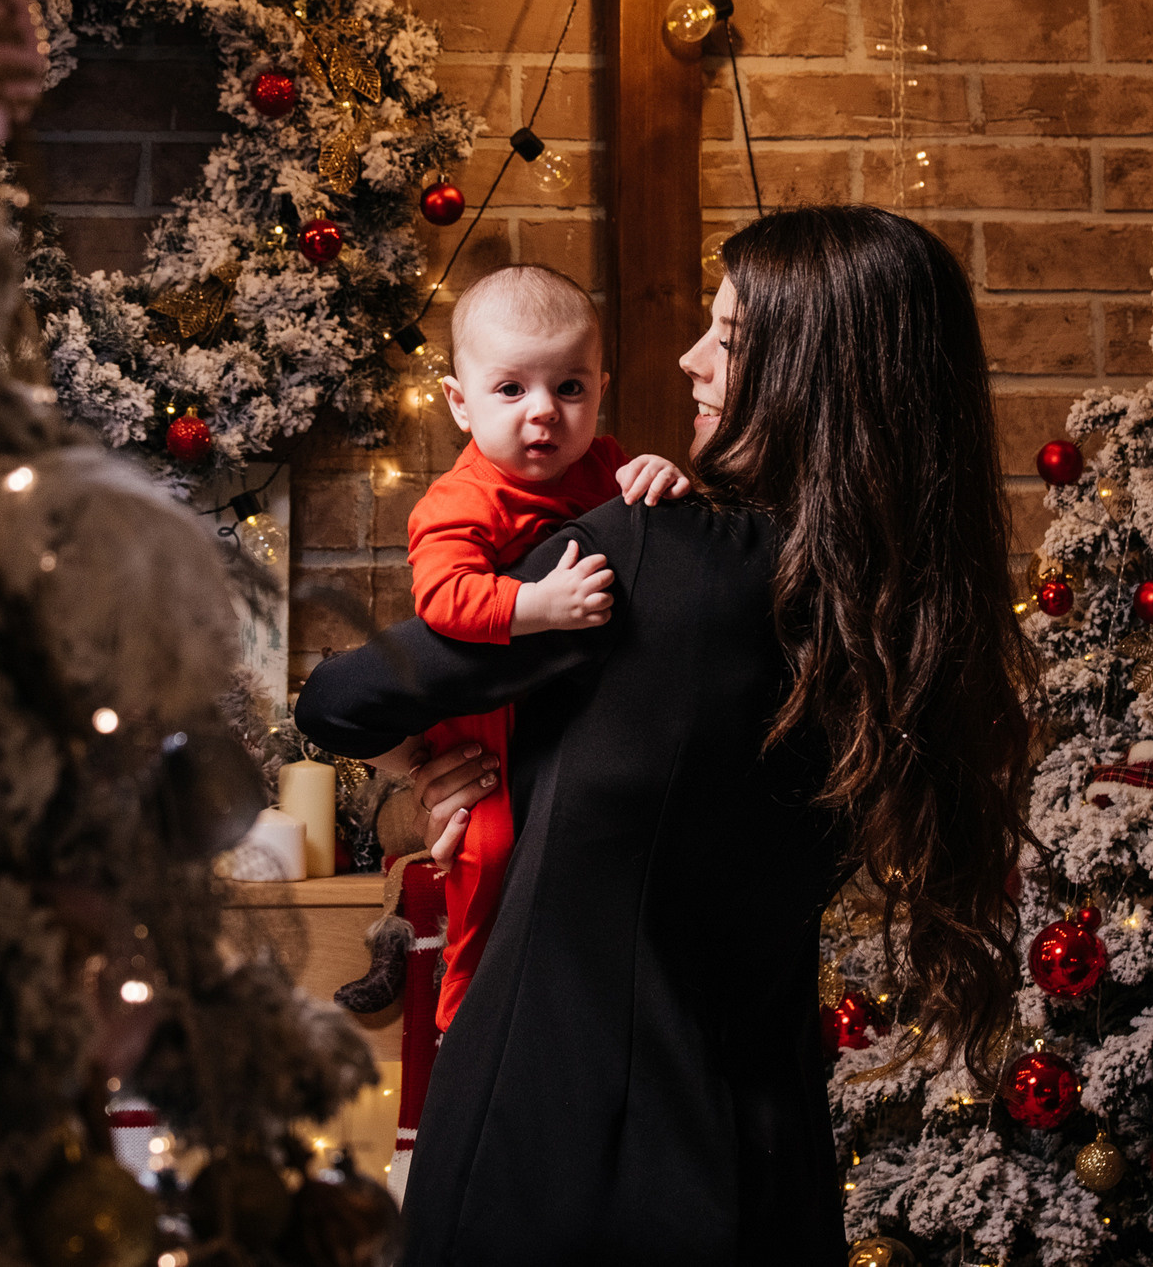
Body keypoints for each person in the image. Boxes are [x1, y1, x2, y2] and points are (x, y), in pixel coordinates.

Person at [297, 207, 1035, 1266]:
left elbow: (337, 699)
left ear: (806, 370)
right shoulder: (903, 616)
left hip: (550, 1146)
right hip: (762, 1163)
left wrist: (416, 765)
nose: (687, 359)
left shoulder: (638, 557)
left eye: (727, 338)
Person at [404, 264, 687, 1034]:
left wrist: (658, 474)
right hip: (485, 733)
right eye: (511, 390)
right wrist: (537, 604)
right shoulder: (462, 499)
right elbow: (444, 597)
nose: (544, 414)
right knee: (488, 853)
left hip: (578, 719)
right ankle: (462, 1009)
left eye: (569, 388)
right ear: (460, 403)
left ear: (600, 386)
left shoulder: (602, 468)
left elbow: (651, 528)